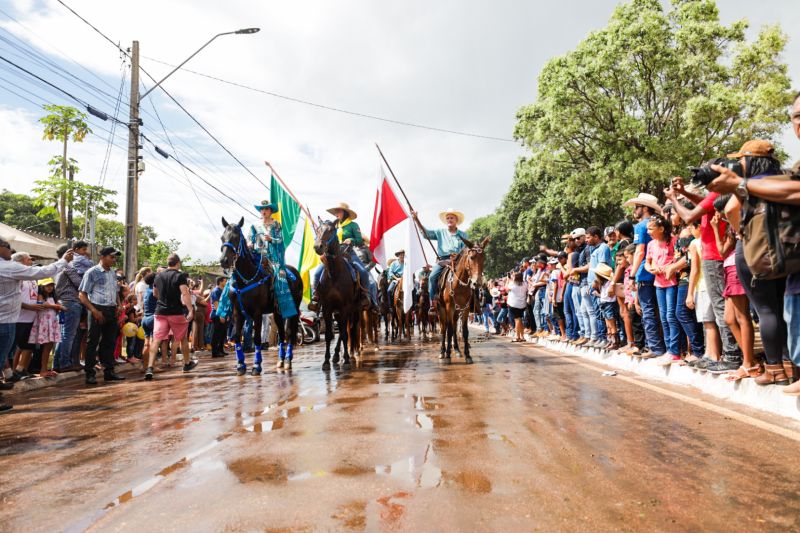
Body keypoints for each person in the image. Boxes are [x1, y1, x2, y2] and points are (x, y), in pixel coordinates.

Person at [706, 93, 800, 394]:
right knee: (779, 311)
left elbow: (732, 212)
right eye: (795, 116)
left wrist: (738, 189)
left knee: (767, 311)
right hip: (788, 256)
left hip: (755, 255)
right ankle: (788, 366)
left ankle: (773, 369)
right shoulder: (782, 176)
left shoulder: (752, 189)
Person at [666, 176, 742, 372]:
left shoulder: (720, 193)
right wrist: (682, 193)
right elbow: (702, 204)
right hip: (713, 256)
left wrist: (674, 199)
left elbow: (690, 216)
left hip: (716, 257)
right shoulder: (716, 194)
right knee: (717, 311)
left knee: (720, 309)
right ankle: (721, 354)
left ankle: (731, 355)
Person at [0, 241, 72, 411]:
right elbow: (42, 271)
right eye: (8, 248)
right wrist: (63, 260)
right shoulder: (8, 267)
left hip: (8, 318)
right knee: (11, 351)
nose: (10, 252)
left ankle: (9, 376)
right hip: (5, 320)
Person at [623, 192, 666, 358]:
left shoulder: (640, 226)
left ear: (645, 208)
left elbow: (639, 252)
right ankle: (661, 346)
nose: (634, 210)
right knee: (659, 311)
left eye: (637, 207)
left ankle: (654, 347)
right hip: (658, 271)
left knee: (647, 311)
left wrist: (632, 275)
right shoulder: (658, 223)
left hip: (644, 273)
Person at [144, 253, 198, 380]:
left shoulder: (158, 276)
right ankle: (187, 364)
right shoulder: (180, 276)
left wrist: (163, 300)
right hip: (176, 312)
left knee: (156, 339)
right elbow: (185, 293)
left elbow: (155, 293)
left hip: (160, 312)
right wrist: (190, 310)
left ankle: (150, 368)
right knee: (182, 338)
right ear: (178, 263)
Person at [310, 202, 373, 310]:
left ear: (345, 213)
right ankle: (316, 297)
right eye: (335, 212)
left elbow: (358, 240)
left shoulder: (353, 225)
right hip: (332, 255)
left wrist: (351, 240)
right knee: (316, 274)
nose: (336, 214)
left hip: (349, 253)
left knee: (363, 272)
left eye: (338, 211)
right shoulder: (332, 227)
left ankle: (365, 296)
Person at [78, 247, 125, 385]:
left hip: (111, 309)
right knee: (92, 342)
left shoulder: (112, 273)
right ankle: (90, 373)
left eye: (115, 257)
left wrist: (119, 304)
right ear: (102, 257)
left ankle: (109, 371)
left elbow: (114, 291)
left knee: (109, 341)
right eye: (112, 257)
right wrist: (93, 310)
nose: (114, 260)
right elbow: (82, 294)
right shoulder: (92, 272)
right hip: (97, 308)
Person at [411, 208, 469, 311]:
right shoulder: (440, 232)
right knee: (432, 277)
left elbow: (465, 250)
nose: (449, 220)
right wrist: (417, 220)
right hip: (443, 260)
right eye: (448, 218)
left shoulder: (463, 235)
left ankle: (474, 304)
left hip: (459, 261)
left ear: (456, 220)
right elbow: (426, 234)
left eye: (452, 218)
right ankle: (433, 302)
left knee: (473, 278)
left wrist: (458, 256)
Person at [644, 215, 681, 366]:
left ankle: (675, 351)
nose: (648, 232)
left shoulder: (673, 241)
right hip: (658, 283)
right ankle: (669, 350)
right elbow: (647, 263)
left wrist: (668, 267)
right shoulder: (651, 244)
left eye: (651, 229)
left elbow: (679, 259)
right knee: (664, 317)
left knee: (671, 316)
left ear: (661, 228)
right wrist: (651, 269)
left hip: (672, 282)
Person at [53, 240, 91, 372]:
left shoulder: (58, 267)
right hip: (71, 303)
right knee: (68, 335)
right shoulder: (68, 267)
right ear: (69, 253)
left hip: (65, 303)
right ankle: (64, 364)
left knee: (63, 335)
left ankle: (58, 364)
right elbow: (80, 284)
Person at [8, 253, 41, 382]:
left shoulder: (31, 278)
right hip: (19, 318)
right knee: (18, 346)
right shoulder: (17, 278)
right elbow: (14, 299)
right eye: (28, 260)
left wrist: (38, 305)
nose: (31, 262)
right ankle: (12, 371)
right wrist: (30, 307)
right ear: (20, 262)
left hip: (32, 317)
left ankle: (22, 369)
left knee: (29, 346)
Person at [29, 278, 64, 377]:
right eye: (47, 285)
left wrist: (58, 307)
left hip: (51, 323)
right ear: (41, 287)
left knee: (48, 347)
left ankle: (44, 369)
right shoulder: (40, 296)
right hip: (44, 323)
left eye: (51, 285)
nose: (50, 288)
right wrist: (57, 307)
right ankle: (41, 369)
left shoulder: (52, 297)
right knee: (42, 347)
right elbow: (43, 304)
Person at [592, 263, 619, 348]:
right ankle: (610, 340)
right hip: (604, 304)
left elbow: (608, 296)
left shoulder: (609, 283)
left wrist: (598, 294)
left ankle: (615, 342)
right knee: (608, 324)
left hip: (609, 304)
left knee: (612, 323)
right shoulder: (603, 284)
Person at [209, 276, 228, 357]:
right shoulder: (215, 291)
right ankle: (215, 352)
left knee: (223, 334)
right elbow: (216, 304)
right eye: (225, 281)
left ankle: (220, 349)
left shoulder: (223, 290)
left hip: (223, 315)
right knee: (216, 334)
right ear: (220, 282)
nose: (226, 283)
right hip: (217, 315)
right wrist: (221, 315)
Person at [506, 271, 527, 342]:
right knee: (520, 320)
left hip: (514, 304)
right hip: (522, 304)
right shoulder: (525, 283)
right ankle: (522, 336)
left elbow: (506, 289)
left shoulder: (512, 284)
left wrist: (508, 280)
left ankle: (517, 337)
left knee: (517, 320)